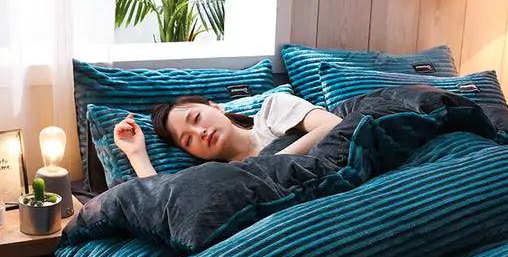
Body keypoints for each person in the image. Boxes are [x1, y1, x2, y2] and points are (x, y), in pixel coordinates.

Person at [113, 92, 342, 178]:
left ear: (215, 107)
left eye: (196, 118)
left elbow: (335, 125)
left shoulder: (273, 110)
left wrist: (267, 166)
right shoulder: (221, 177)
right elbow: (162, 202)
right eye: (188, 140)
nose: (200, 132)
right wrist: (136, 153)